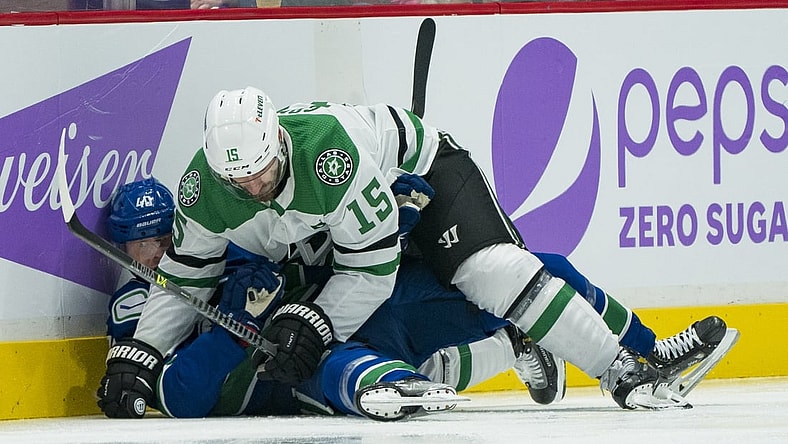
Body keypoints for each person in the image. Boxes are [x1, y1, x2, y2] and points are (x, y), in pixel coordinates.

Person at [104, 87, 730, 418]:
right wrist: (142, 350)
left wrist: (315, 321)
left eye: (263, 172)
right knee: (411, 328)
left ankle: (633, 366)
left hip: (423, 170)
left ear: (278, 144)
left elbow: (368, 272)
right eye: (240, 182)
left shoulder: (332, 157)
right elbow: (185, 277)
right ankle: (541, 348)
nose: (255, 189)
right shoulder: (205, 192)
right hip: (352, 234)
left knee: (492, 273)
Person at [105, 178, 175, 344]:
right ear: (124, 249)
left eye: (163, 241)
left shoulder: (200, 274)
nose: (157, 253)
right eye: (143, 245)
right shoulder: (132, 299)